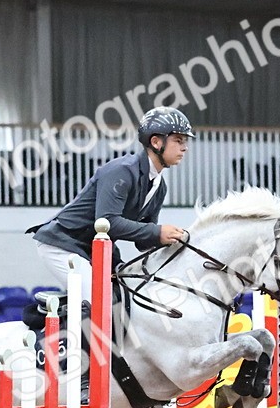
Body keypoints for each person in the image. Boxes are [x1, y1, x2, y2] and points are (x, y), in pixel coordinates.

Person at [28, 107, 195, 305]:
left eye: (185, 141)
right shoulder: (122, 171)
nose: (185, 147)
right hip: (63, 243)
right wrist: (158, 232)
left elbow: (143, 242)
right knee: (97, 302)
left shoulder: (159, 187)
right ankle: (65, 336)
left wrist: (172, 241)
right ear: (156, 141)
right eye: (178, 140)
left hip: (94, 251)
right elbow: (106, 221)